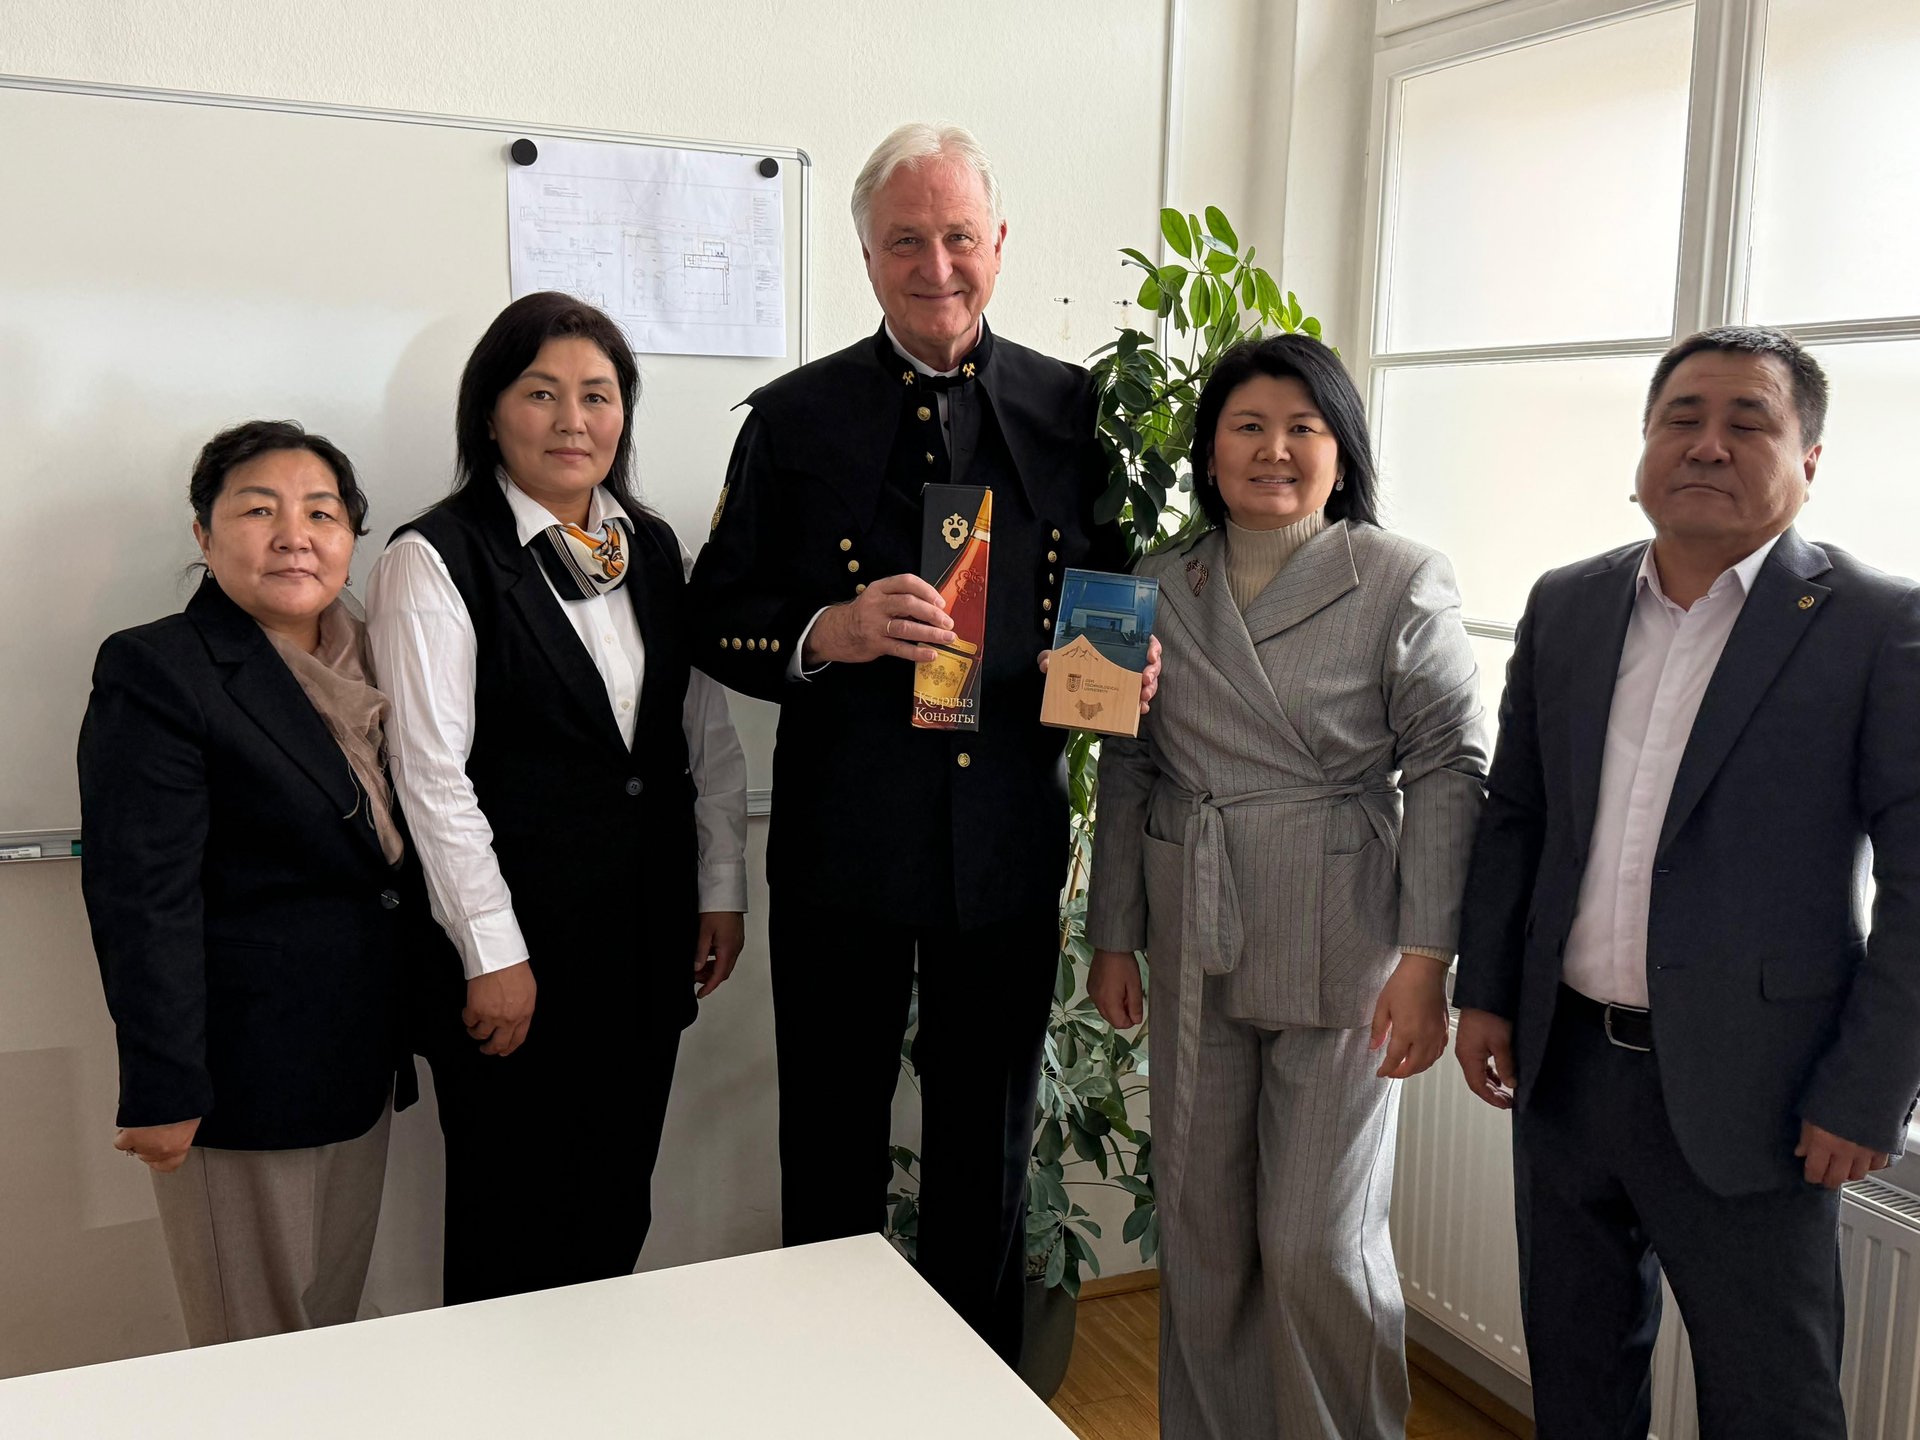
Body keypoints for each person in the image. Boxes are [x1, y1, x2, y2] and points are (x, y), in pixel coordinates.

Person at [686, 121, 1149, 1362]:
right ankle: (829, 1391)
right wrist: (825, 632)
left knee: (987, 1153)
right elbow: (711, 615)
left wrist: (1127, 660)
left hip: (1004, 836)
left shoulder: (1074, 406)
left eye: (957, 235)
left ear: (998, 242)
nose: (935, 263)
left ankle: (974, 1391)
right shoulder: (790, 419)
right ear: (867, 255)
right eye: (905, 240)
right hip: (844, 845)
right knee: (828, 1144)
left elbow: (1114, 588)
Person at [1453, 326, 1920, 1439]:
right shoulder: (1568, 604)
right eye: (1682, 418)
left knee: (1773, 1405)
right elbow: (1517, 815)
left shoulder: (1876, 625)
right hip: (1565, 1075)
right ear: (1645, 446)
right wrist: (1486, 991)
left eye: (1748, 422)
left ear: (1809, 460)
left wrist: (1868, 1092)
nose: (1707, 444)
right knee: (1576, 1379)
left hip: (1758, 1097)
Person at [1083, 334, 1487, 1437]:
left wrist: (1427, 958)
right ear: (1209, 452)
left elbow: (1450, 764)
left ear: (1341, 449)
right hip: (1195, 929)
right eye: (1248, 427)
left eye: (1303, 428)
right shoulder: (1155, 584)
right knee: (1203, 1229)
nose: (1274, 450)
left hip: (1342, 936)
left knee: (1316, 1243)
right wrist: (1112, 933)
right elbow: (1129, 759)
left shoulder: (1399, 577)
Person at [365, 292, 748, 1305]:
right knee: (509, 1227)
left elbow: (697, 736)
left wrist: (721, 887)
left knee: (616, 1208)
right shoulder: (435, 558)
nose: (574, 421)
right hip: (517, 962)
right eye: (541, 394)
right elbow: (430, 777)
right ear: (490, 412)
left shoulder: (652, 550)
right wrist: (492, 954)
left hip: (644, 942)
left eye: (598, 395)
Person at [78, 420, 420, 1345]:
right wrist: (163, 1086)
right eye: (257, 510)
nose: (294, 534)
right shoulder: (162, 668)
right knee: (249, 1345)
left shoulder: (381, 660)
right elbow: (143, 895)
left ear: (352, 535)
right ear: (203, 534)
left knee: (328, 1325)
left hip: (357, 1059)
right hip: (238, 1077)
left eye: (322, 512)